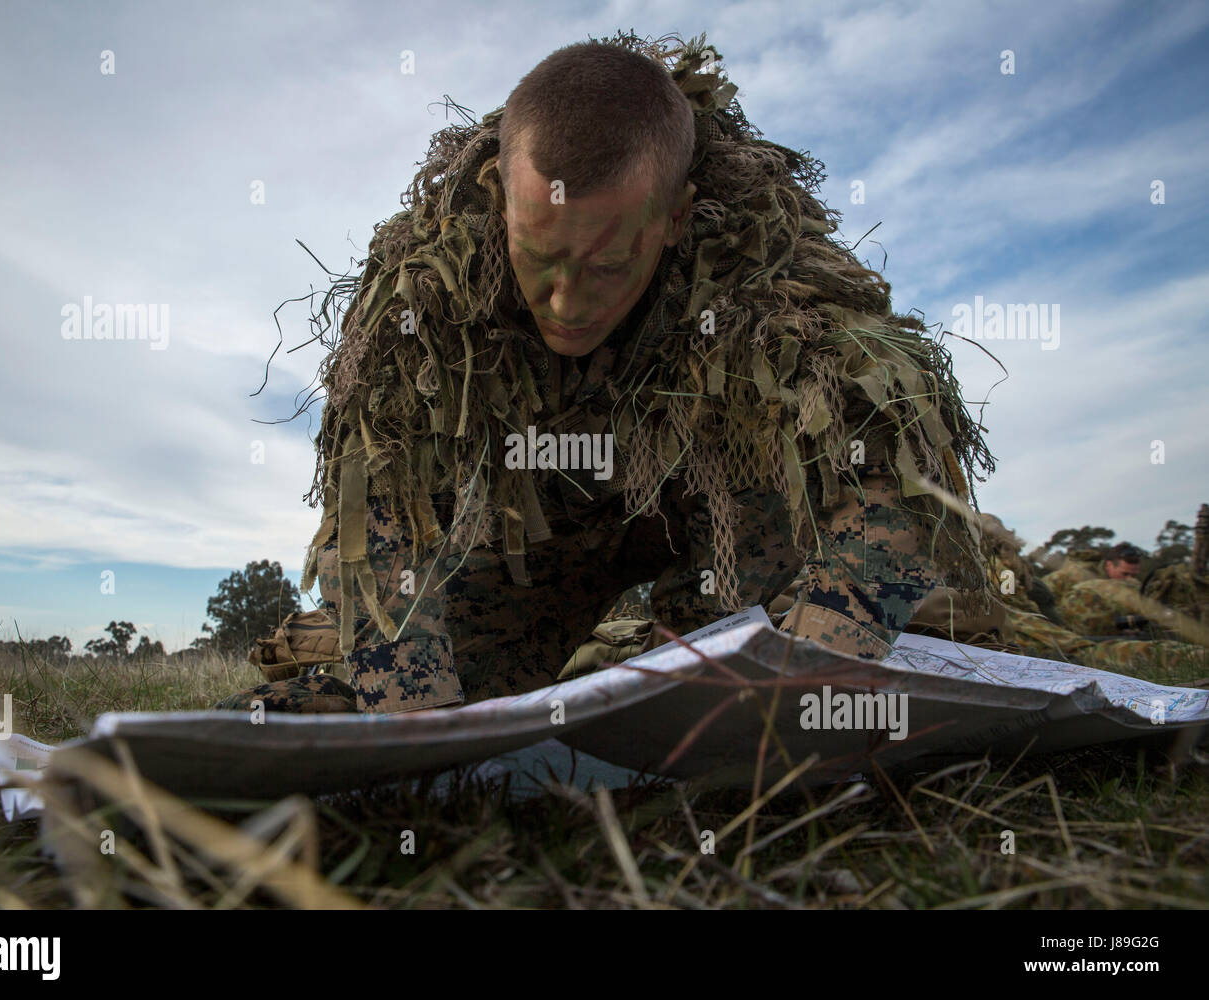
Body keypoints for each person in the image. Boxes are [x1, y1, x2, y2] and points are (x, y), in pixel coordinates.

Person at [216, 34, 992, 715]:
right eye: (539, 257)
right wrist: (418, 726)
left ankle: (688, 648)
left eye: (608, 264)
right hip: (539, 537)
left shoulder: (770, 285)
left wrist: (812, 674)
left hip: (719, 528)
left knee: (714, 700)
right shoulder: (421, 301)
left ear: (677, 220)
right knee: (424, 690)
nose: (565, 302)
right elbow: (377, 527)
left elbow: (903, 477)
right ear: (498, 196)